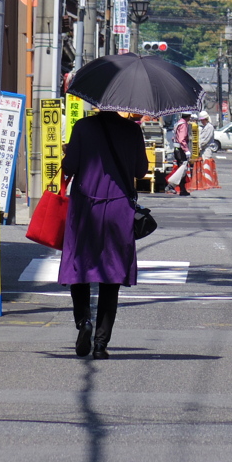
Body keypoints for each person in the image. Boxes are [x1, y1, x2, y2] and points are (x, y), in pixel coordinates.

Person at [60, 110, 148, 359]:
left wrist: (70, 152)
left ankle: (83, 321)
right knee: (111, 276)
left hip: (86, 205)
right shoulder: (132, 130)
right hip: (119, 209)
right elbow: (141, 170)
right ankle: (100, 344)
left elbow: (70, 167)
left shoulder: (83, 126)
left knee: (80, 267)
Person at [170, 111, 192, 196]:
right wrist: (186, 150)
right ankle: (174, 187)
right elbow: (182, 139)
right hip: (180, 149)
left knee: (181, 168)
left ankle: (182, 189)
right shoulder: (183, 124)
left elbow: (174, 137)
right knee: (183, 169)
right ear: (188, 116)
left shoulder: (178, 123)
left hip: (176, 148)